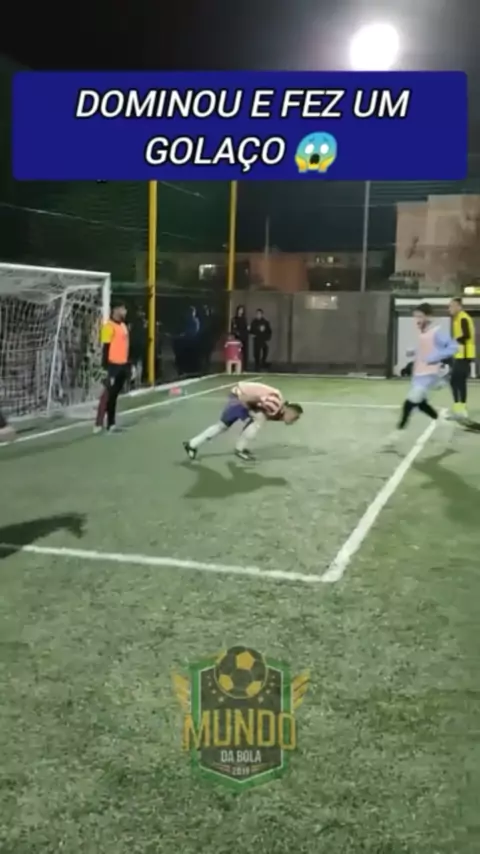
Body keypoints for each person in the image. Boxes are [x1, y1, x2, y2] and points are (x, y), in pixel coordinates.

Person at [387, 303, 458, 447]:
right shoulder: (423, 332)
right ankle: (443, 423)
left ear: (428, 316)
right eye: (415, 317)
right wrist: (414, 351)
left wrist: (436, 356)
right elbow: (425, 349)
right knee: (421, 404)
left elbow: (453, 347)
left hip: (429, 375)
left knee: (409, 403)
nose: (417, 320)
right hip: (419, 374)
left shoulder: (437, 332)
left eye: (420, 316)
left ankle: (398, 432)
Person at [183, 380, 303, 462]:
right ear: (289, 410)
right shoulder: (274, 405)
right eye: (294, 416)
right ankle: (239, 450)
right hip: (240, 396)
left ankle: (192, 444)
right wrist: (245, 406)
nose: (294, 420)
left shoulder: (278, 408)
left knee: (226, 426)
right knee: (227, 425)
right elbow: (252, 398)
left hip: (242, 396)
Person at [94, 303, 130, 433]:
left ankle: (111, 423)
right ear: (116, 310)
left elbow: (125, 346)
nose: (125, 311)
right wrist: (105, 367)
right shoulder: (108, 326)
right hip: (112, 365)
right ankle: (98, 423)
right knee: (107, 395)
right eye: (123, 309)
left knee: (114, 396)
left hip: (123, 364)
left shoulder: (124, 326)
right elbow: (105, 348)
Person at [448, 297, 476, 420]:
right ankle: (458, 408)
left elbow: (466, 335)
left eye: (452, 306)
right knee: (455, 381)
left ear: (459, 307)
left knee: (458, 381)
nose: (449, 309)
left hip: (464, 355)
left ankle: (462, 409)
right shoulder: (457, 319)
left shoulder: (463, 318)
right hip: (460, 354)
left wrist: (453, 341)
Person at [231, 305, 249, 372]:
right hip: (237, 338)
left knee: (244, 352)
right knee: (236, 352)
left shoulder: (244, 319)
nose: (241, 311)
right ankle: (235, 367)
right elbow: (233, 329)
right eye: (240, 310)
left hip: (244, 337)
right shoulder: (234, 319)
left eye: (242, 310)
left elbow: (246, 328)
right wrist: (236, 333)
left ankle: (244, 367)